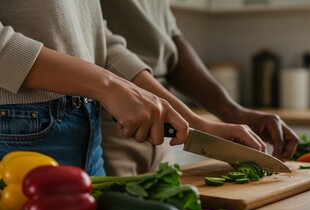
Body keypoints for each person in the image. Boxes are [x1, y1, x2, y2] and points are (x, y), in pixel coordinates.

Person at [0, 1, 263, 176]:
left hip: (88, 132)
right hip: (18, 130)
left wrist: (196, 124)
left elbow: (102, 41)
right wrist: (106, 85)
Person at [100, 0, 299, 176]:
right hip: (118, 119)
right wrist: (196, 122)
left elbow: (170, 39)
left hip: (165, 122)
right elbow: (103, 45)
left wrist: (233, 112)